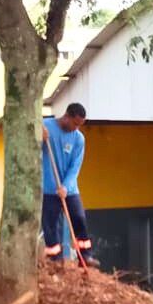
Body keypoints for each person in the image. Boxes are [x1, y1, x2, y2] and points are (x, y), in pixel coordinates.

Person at [41, 102, 97, 266]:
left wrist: (65, 186)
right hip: (49, 188)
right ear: (66, 116)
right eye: (75, 123)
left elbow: (75, 167)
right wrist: (38, 137)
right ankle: (55, 259)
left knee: (79, 218)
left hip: (69, 189)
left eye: (79, 125)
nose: (76, 128)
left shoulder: (79, 139)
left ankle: (85, 256)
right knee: (50, 225)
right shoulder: (45, 127)